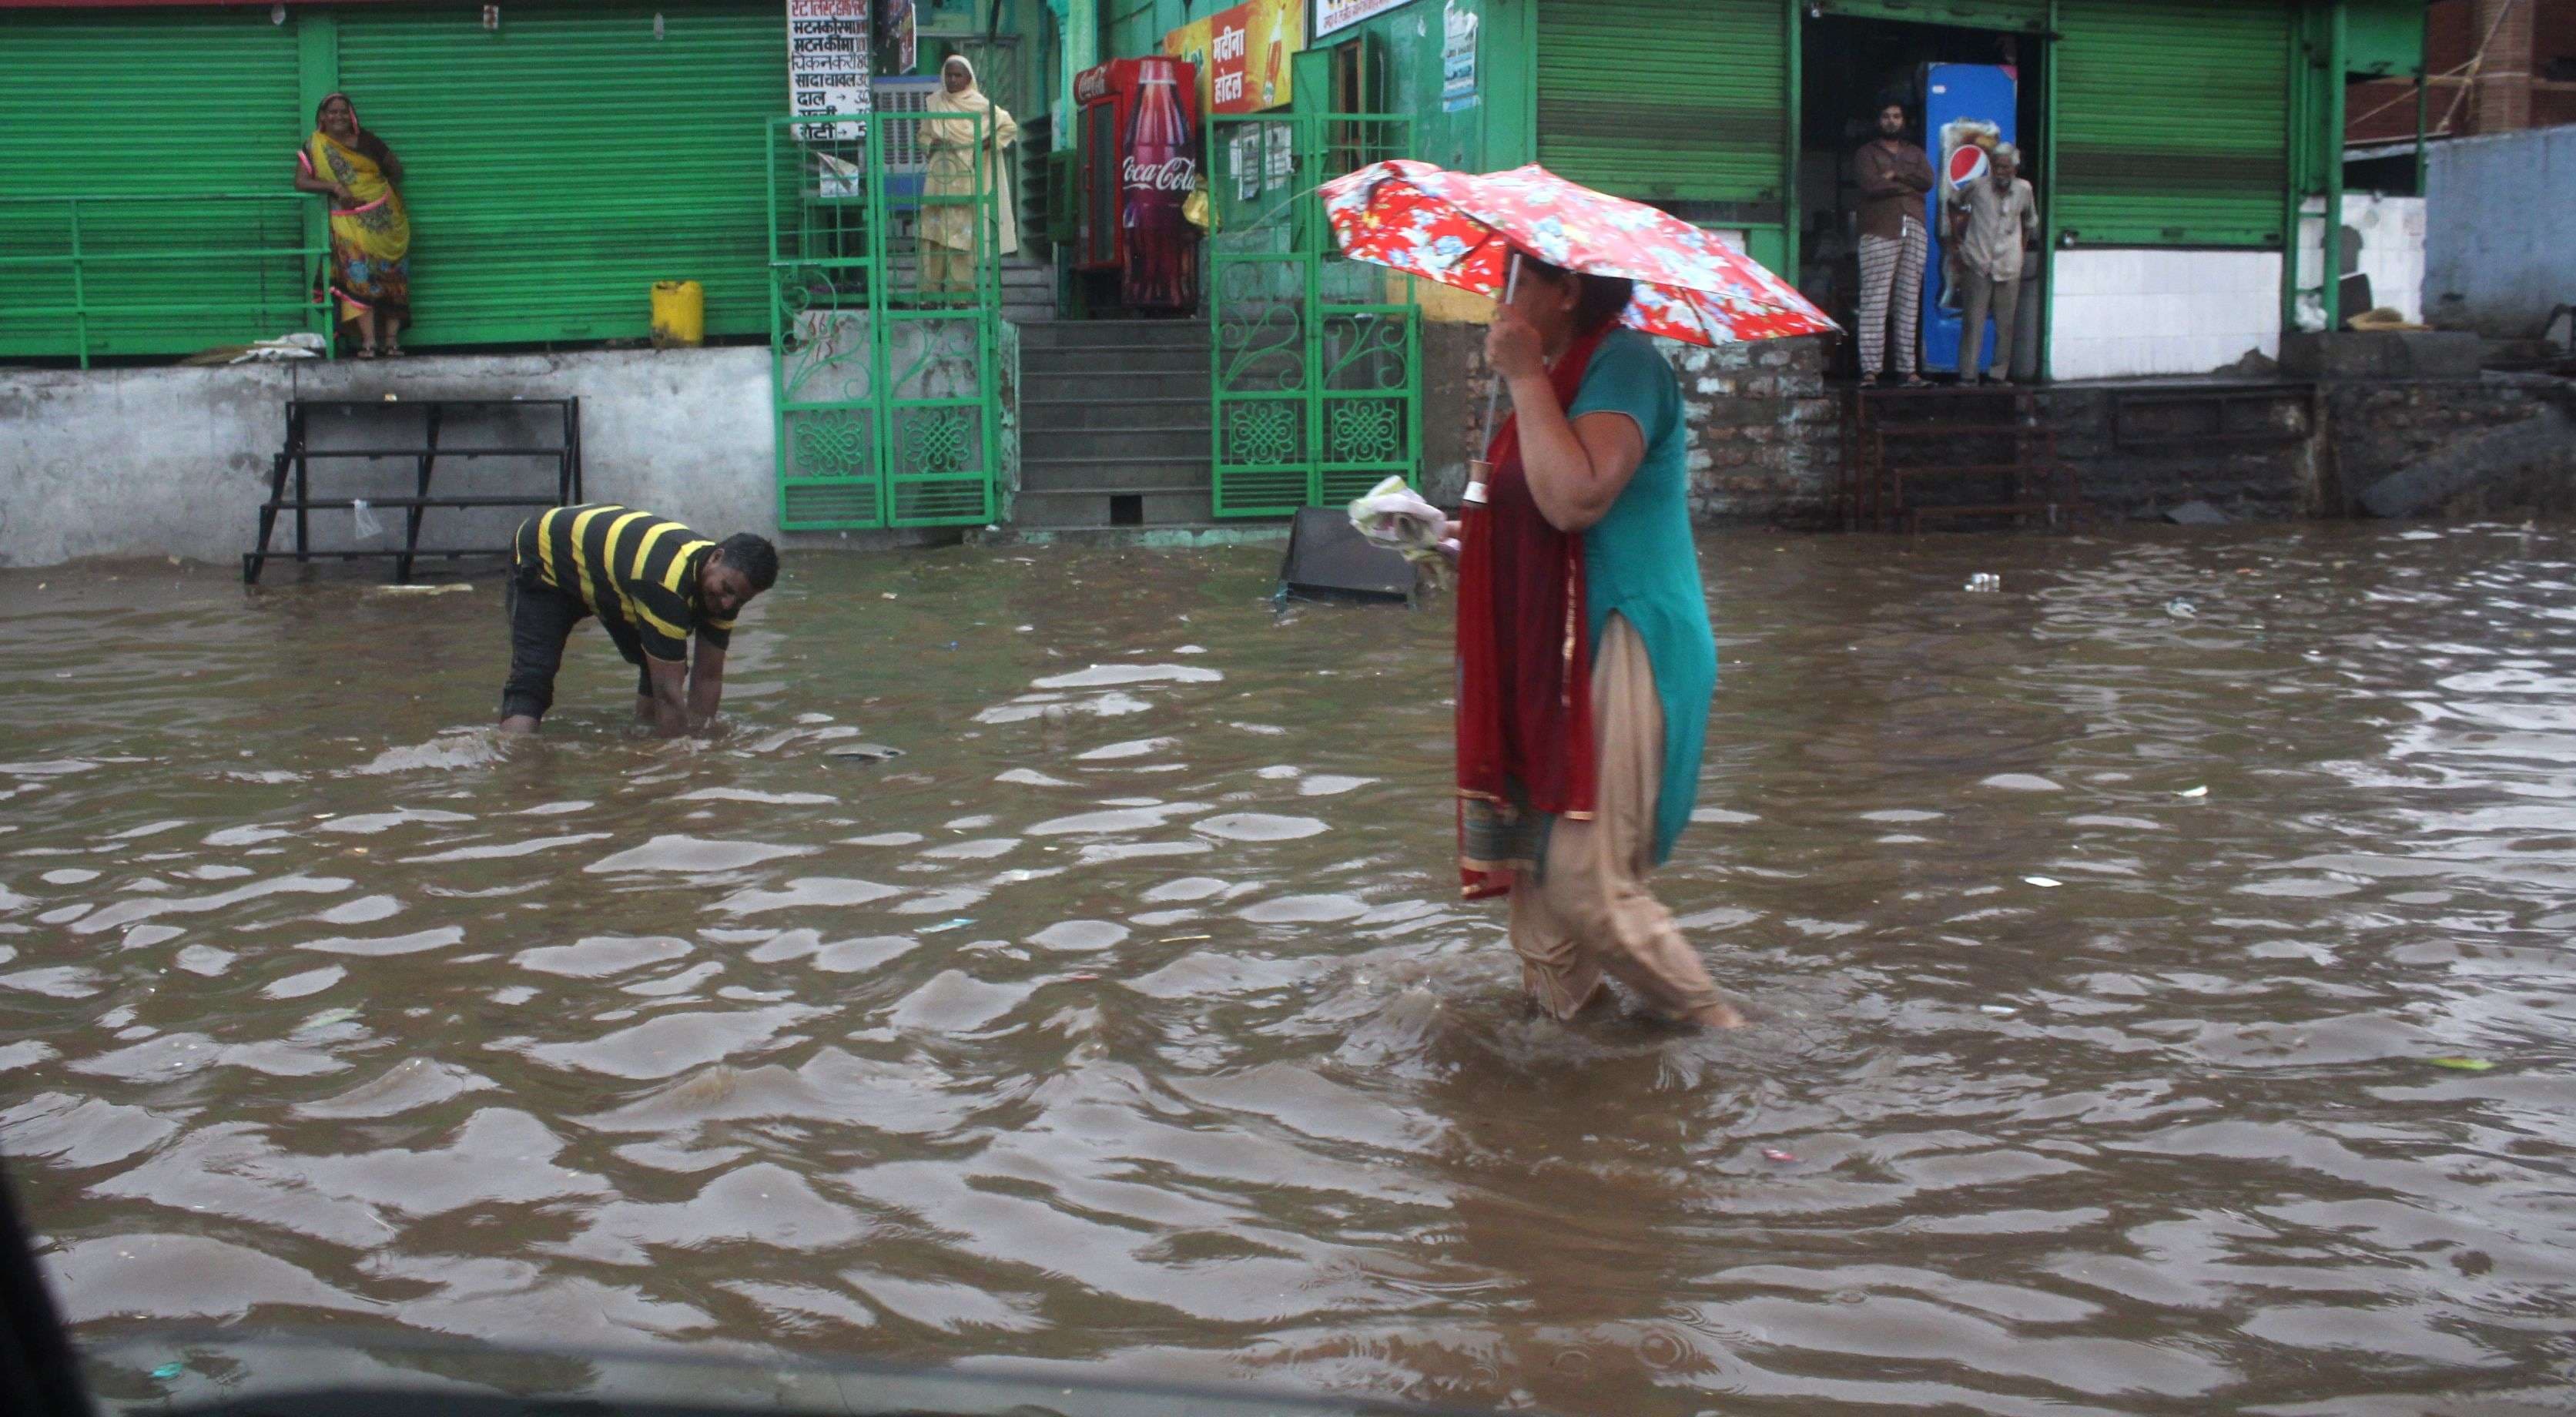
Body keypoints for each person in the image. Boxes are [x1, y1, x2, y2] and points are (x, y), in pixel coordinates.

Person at [1459, 254, 1744, 1030]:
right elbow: (1530, 515)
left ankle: (1725, 1039)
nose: (1500, 299)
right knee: (1543, 907)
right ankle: (1582, 1091)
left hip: (1630, 634)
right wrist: (1450, 538)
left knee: (1582, 879)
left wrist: (1521, 375)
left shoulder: (1624, 362)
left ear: (1567, 291)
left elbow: (1578, 498)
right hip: (1556, 650)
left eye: (1516, 281)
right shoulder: (1559, 376)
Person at [498, 504, 778, 738]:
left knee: (661, 662)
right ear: (716, 558)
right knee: (534, 674)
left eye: (741, 600)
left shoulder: (727, 589)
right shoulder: (665, 582)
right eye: (727, 591)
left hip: (612, 573)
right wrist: (681, 767)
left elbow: (708, 676)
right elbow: (668, 693)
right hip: (545, 555)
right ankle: (516, 765)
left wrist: (704, 744)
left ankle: (641, 738)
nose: (728, 605)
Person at [292, 92, 411, 359]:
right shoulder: (315, 145)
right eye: (332, 112)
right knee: (357, 278)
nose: (338, 117)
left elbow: (397, 172)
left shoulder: (368, 142)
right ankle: (368, 342)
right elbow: (301, 182)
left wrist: (378, 182)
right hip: (347, 221)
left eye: (343, 112)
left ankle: (391, 342)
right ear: (322, 117)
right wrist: (334, 186)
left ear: (352, 115)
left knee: (394, 279)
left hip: (387, 221)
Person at [919, 55, 1019, 298]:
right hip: (938, 177)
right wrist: (933, 143)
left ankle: (960, 295)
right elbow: (923, 135)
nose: (952, 80)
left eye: (958, 75)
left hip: (965, 179)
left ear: (968, 78)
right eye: (949, 74)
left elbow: (1009, 128)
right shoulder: (934, 103)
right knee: (932, 236)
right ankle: (930, 294)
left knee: (960, 238)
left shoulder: (981, 105)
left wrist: (980, 146)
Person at [1853, 100, 1934, 387]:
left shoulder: (1915, 153)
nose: (1891, 121)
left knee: (1909, 299)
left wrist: (1897, 175)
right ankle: (1870, 371)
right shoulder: (1866, 153)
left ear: (1904, 121)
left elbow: (1928, 180)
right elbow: (1871, 186)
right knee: (1875, 300)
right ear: (1878, 121)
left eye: (1896, 116)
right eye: (1886, 116)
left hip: (1914, 225)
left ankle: (1908, 370)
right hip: (1879, 229)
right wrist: (1909, 186)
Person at [1949, 142, 2038, 384]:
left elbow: (2030, 223)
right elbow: (1953, 203)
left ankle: (1998, 375)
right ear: (1992, 167)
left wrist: (2019, 249)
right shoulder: (1978, 186)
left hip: (2009, 266)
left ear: (2015, 169)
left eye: (2006, 168)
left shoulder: (2024, 190)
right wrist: (1959, 241)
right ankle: (1968, 375)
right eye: (1998, 167)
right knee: (1972, 322)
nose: (2001, 172)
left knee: (2005, 325)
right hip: (1978, 262)